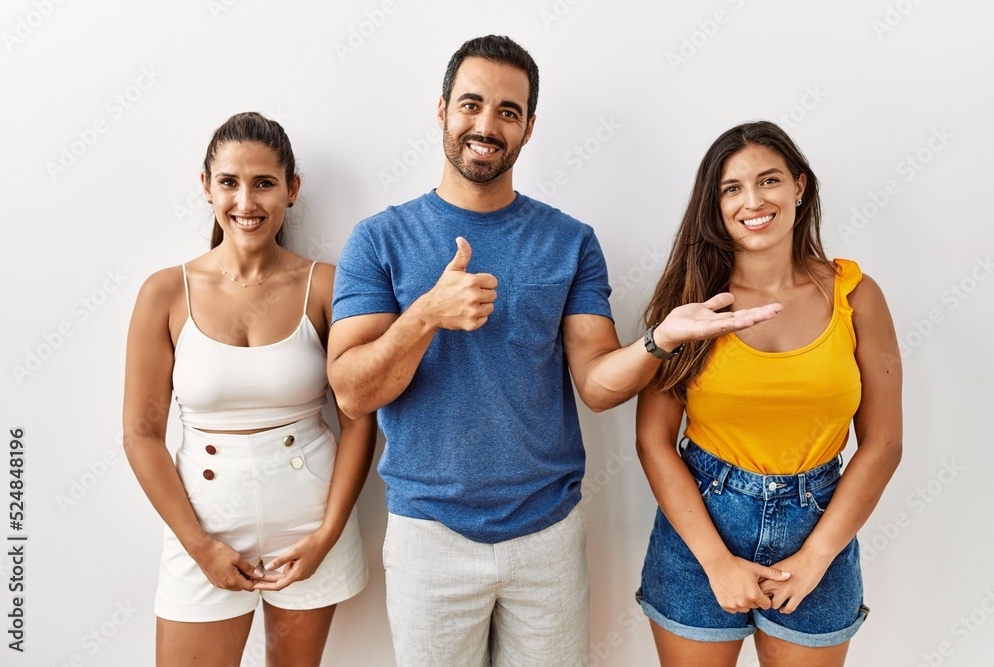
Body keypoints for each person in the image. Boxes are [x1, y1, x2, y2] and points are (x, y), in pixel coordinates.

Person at [327, 36, 781, 667]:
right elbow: (351, 391)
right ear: (441, 110)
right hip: (429, 534)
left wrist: (660, 340)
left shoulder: (569, 241)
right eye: (471, 105)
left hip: (546, 534)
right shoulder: (380, 238)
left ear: (529, 128)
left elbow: (596, 386)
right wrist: (425, 315)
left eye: (508, 112)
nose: (486, 125)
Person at [634, 121, 903, 666]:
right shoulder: (692, 301)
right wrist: (715, 562)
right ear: (715, 203)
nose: (752, 201)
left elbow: (883, 444)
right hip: (700, 529)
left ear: (800, 186)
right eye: (732, 188)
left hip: (820, 527)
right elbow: (653, 440)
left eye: (769, 180)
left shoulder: (858, 295)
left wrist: (816, 558)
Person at [123, 112, 373, 667]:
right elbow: (140, 434)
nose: (246, 202)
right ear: (206, 185)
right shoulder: (165, 292)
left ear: (292, 188)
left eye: (264, 183)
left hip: (308, 524)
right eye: (230, 182)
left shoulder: (328, 285)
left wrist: (328, 535)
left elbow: (360, 415)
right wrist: (198, 546)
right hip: (203, 523)